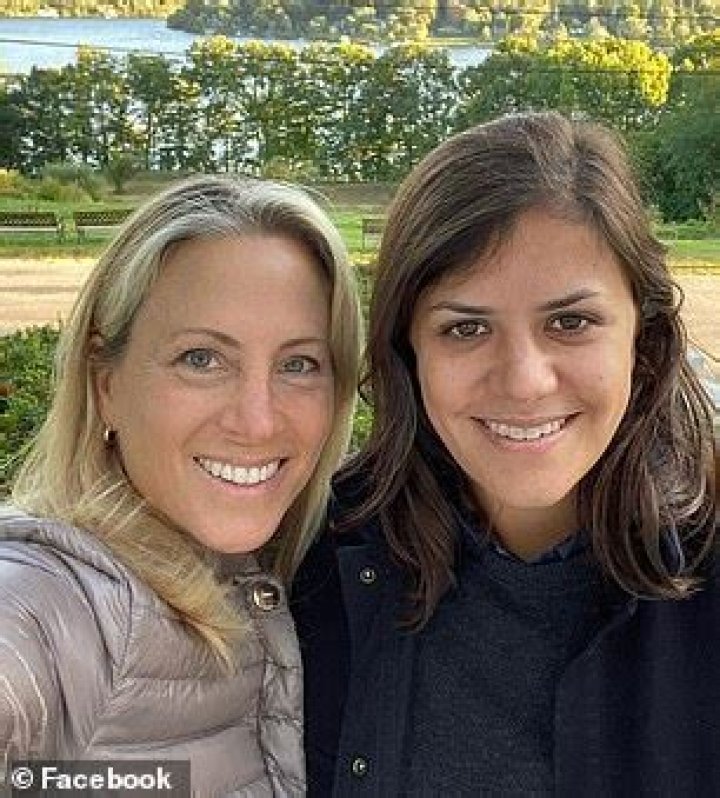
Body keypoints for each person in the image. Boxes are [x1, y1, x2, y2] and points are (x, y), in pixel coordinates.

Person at [291, 111, 718, 796]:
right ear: (407, 352)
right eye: (465, 328)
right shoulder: (312, 560)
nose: (524, 381)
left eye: (570, 322)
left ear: (642, 340)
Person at [0, 175, 361, 794]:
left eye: (299, 364)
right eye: (201, 359)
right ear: (106, 385)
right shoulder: (56, 604)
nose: (257, 421)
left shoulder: (314, 573)